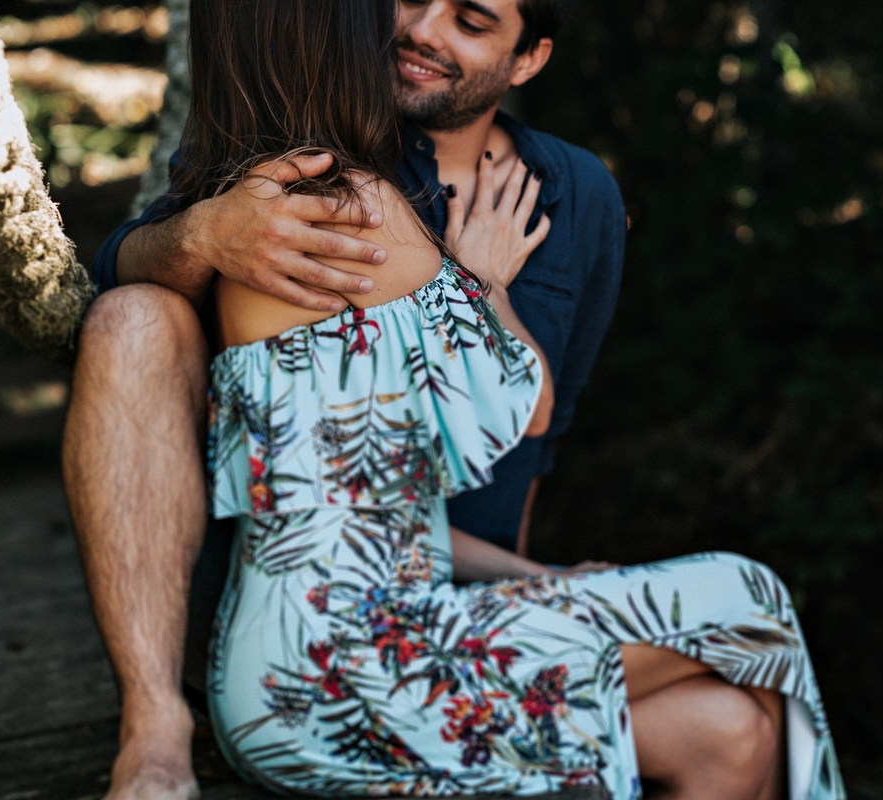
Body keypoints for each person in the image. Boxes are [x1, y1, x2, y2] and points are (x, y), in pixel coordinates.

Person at [177, 2, 846, 798]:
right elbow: (525, 407)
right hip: (348, 671)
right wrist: (485, 280)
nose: (406, 29)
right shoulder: (356, 204)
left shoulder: (257, 204)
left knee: (726, 729)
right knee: (749, 599)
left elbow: (373, 519)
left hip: (286, 679)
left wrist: (541, 579)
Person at [65, 1, 624, 798]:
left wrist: (529, 581)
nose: (423, 28)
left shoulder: (578, 194)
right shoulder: (317, 148)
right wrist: (202, 235)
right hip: (292, 601)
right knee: (131, 318)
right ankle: (154, 729)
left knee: (734, 718)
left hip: (464, 591)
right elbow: (118, 269)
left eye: (469, 21)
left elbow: (539, 433)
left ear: (528, 59)